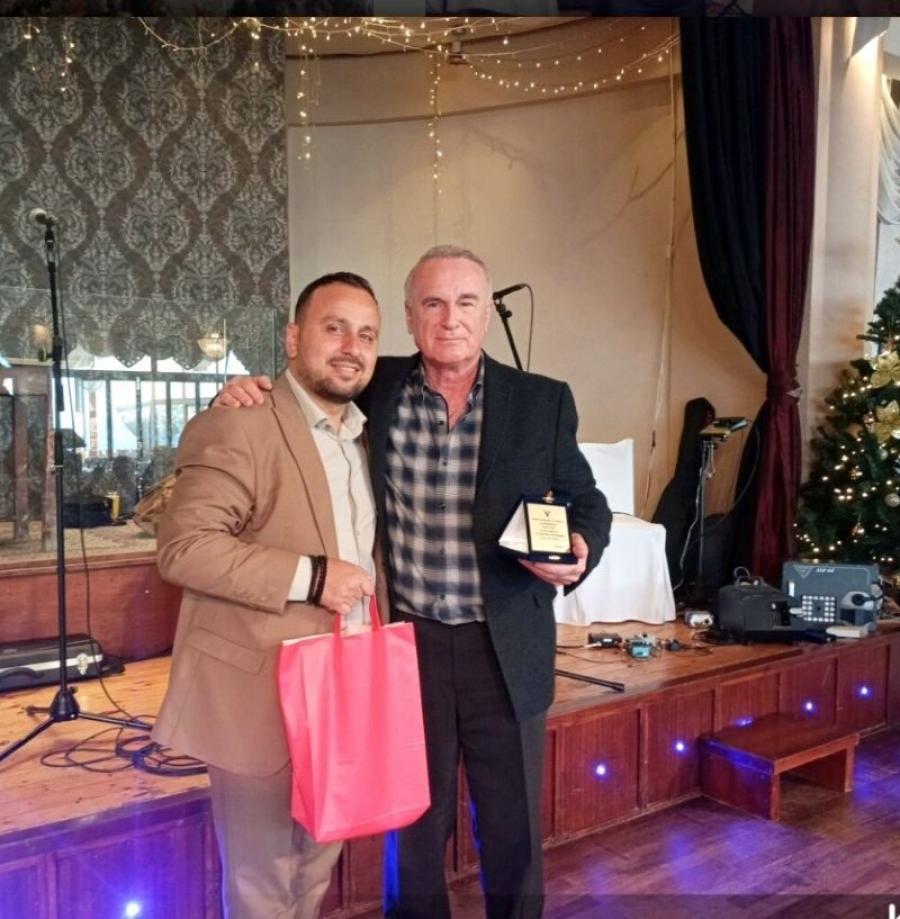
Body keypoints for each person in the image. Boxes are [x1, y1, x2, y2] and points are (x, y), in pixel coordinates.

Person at [215, 245, 612, 919]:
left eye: (466, 302)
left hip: (503, 647)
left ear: (485, 312)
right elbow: (303, 393)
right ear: (409, 316)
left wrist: (582, 546)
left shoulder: (542, 400)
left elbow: (587, 500)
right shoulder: (377, 385)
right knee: (414, 826)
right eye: (433, 303)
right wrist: (239, 391)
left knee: (513, 830)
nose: (450, 318)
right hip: (406, 642)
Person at [153, 272, 381, 919]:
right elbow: (185, 547)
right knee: (262, 878)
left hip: (346, 679)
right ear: (292, 337)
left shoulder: (368, 434)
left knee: (317, 861)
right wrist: (313, 576)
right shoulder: (240, 423)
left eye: (367, 334)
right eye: (334, 327)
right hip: (261, 688)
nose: (351, 347)